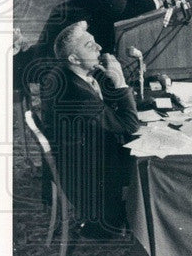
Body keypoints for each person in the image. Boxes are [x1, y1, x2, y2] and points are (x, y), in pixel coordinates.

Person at [40, 22, 140, 238]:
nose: (99, 48)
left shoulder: (69, 73)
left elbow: (103, 101)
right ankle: (143, 216)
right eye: (89, 45)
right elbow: (129, 125)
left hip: (81, 154)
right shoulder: (75, 93)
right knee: (154, 161)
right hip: (89, 175)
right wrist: (121, 82)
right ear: (74, 59)